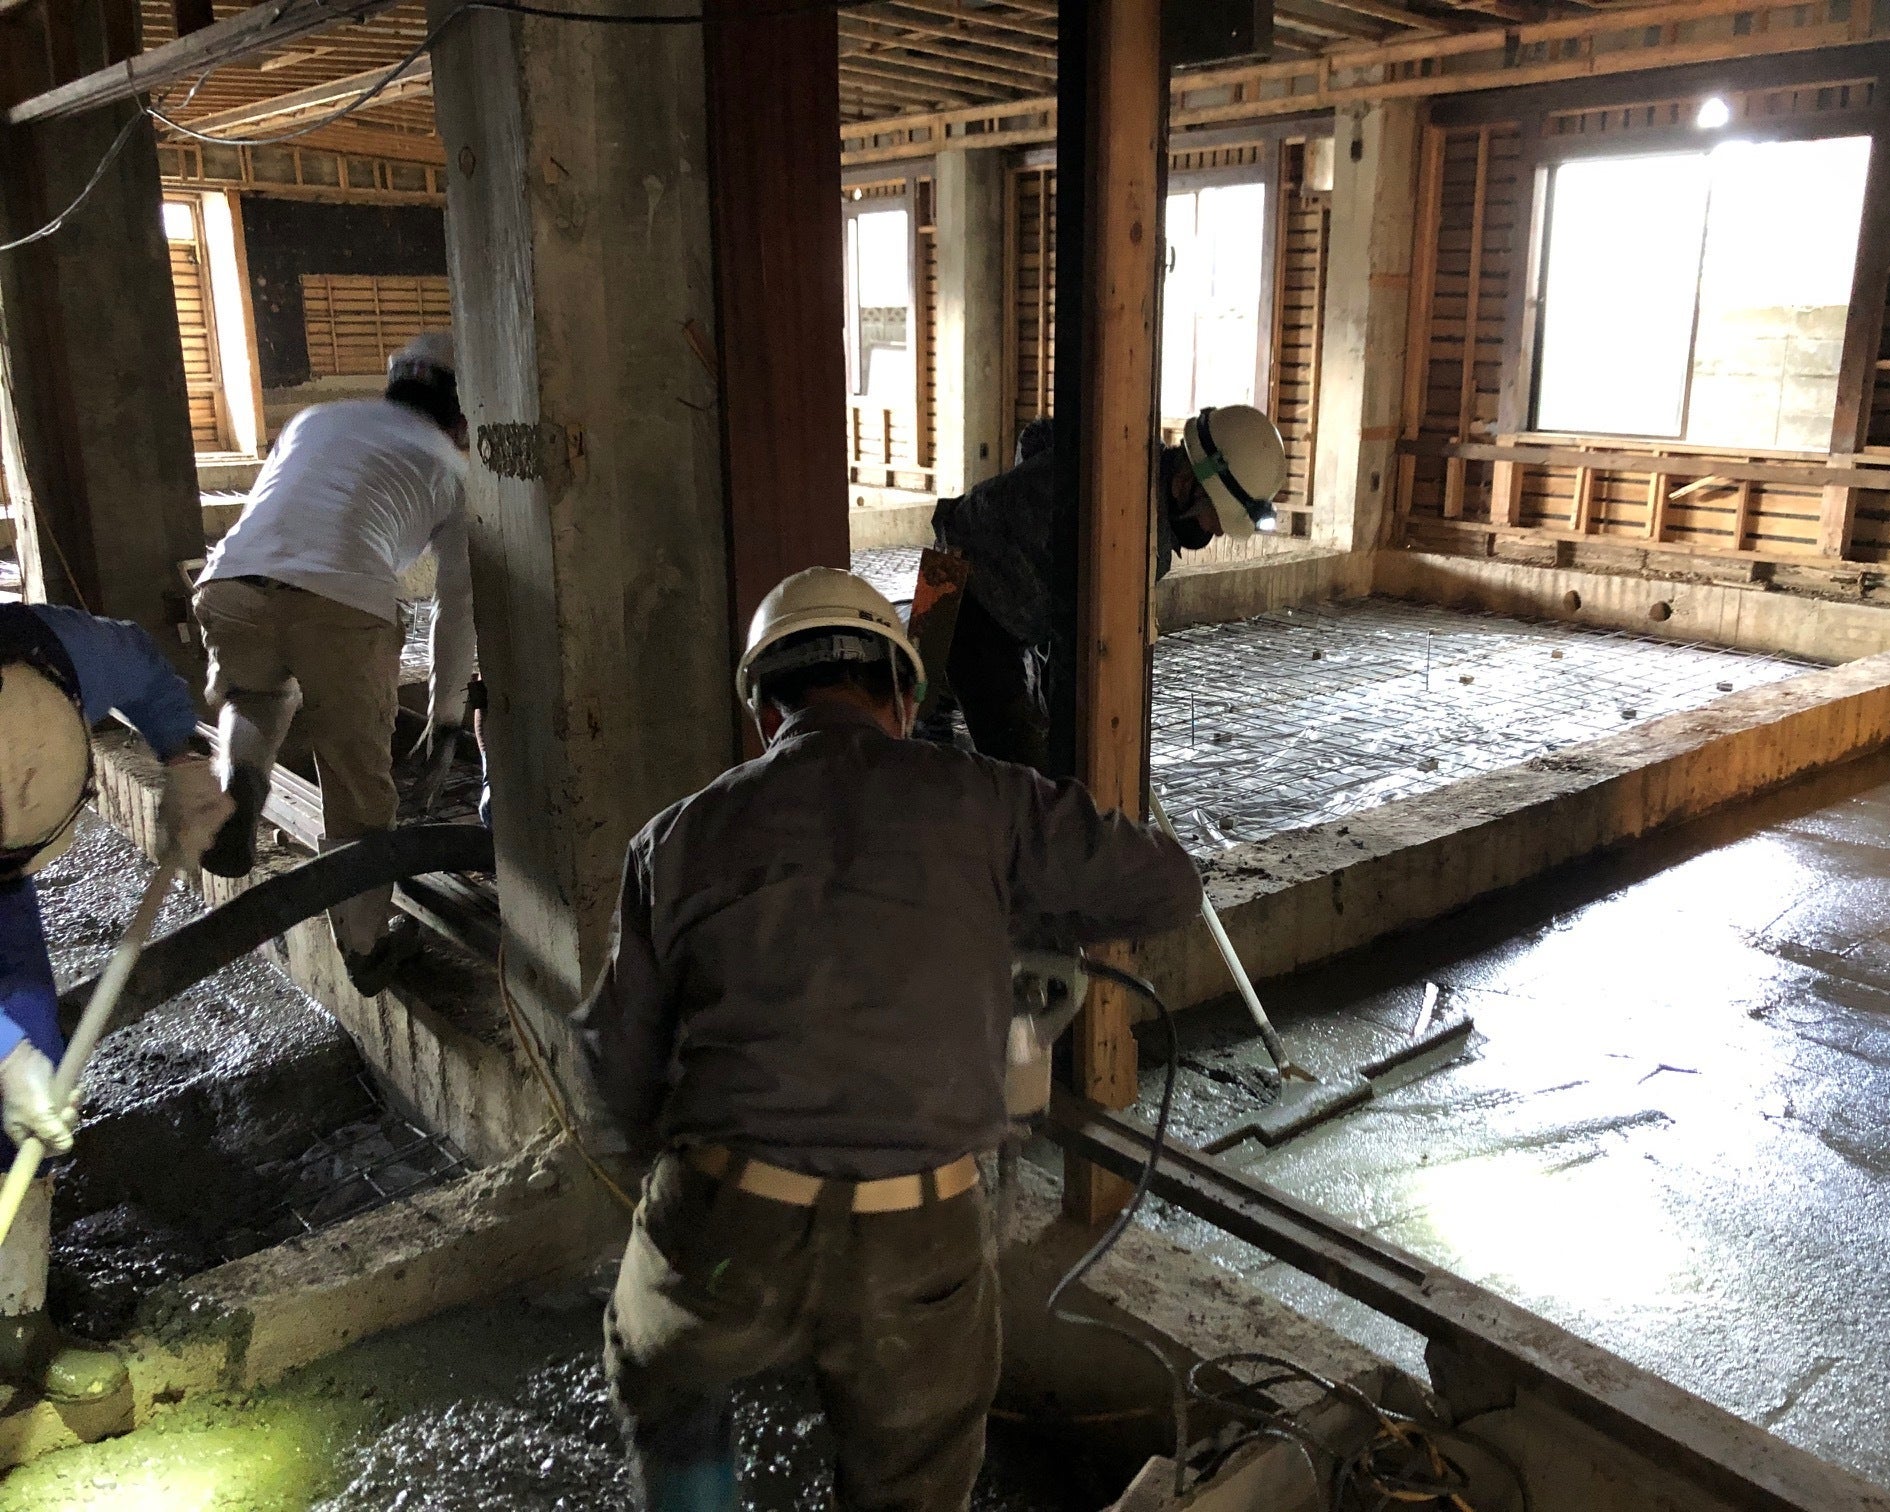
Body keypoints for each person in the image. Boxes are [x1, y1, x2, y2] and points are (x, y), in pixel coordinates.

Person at [576, 567, 1203, 1512]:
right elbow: (1169, 887)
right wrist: (1011, 900)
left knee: (665, 1377)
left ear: (764, 712)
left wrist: (676, 1179)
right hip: (918, 1240)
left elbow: (612, 1065)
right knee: (915, 1469)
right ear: (905, 699)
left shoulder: (676, 839)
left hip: (727, 1220)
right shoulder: (986, 801)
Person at [192, 331, 475, 997]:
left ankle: (241, 781)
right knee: (358, 791)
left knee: (258, 696)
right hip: (345, 602)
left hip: (232, 581)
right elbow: (456, 606)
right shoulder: (455, 472)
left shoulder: (314, 419)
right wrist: (447, 715)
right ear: (464, 419)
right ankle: (365, 949)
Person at [0, 602, 231, 1401]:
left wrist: (185, 761)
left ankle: (15, 1325)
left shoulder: (61, 655)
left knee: (31, 1061)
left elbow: (143, 665)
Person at [930, 403, 1290, 770]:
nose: (1217, 532)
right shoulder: (1125, 516)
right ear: (1185, 484)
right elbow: (1093, 646)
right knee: (1020, 773)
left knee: (939, 708)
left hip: (972, 571)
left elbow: (1036, 436)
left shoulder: (1129, 459)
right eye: (1216, 516)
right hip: (965, 593)